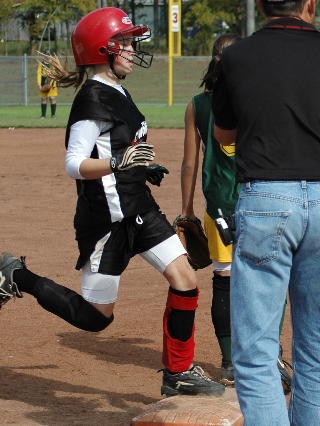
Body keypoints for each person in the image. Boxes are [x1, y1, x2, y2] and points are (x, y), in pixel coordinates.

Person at [0, 7, 224, 397]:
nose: (132, 49)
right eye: (124, 43)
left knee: (185, 280)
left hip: (139, 207)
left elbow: (119, 146)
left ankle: (178, 372)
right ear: (101, 50)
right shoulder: (92, 99)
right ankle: (18, 276)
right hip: (108, 218)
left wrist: (141, 168)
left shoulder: (117, 89)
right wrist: (119, 163)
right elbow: (74, 164)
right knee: (95, 318)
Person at [211, 0, 320, 423]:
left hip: (267, 198)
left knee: (256, 346)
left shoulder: (237, 56)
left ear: (261, 5)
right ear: (310, 4)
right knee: (318, 337)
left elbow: (223, 134)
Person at [180, 34, 291, 388]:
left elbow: (189, 163)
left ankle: (229, 363)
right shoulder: (259, 99)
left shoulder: (197, 105)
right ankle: (269, 357)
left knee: (224, 278)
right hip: (260, 200)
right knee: (271, 277)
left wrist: (186, 209)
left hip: (218, 206)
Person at [37, 51, 57, 119]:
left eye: (48, 55)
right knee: (43, 98)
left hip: (52, 85)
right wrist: (39, 85)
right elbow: (39, 74)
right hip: (43, 85)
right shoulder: (41, 64)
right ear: (44, 56)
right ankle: (43, 115)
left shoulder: (53, 64)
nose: (47, 57)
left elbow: (55, 75)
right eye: (45, 55)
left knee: (52, 98)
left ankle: (53, 115)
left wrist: (54, 84)